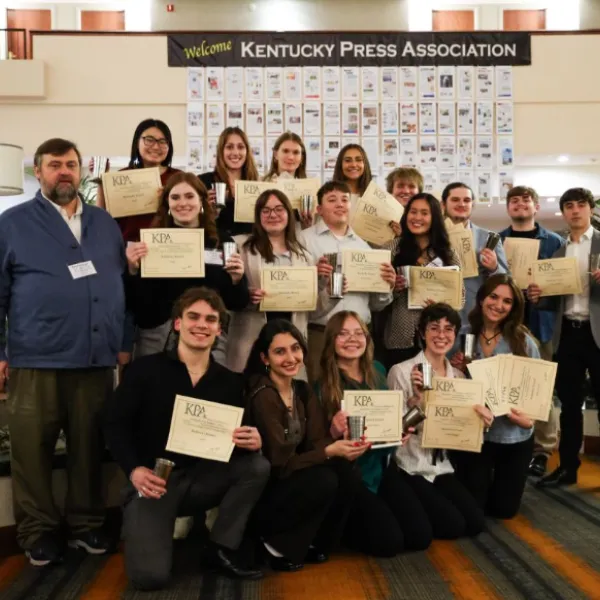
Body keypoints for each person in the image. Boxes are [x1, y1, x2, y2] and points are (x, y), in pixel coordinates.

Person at [0, 138, 126, 566]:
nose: (64, 172)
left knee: (89, 448)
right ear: (39, 172)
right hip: (35, 359)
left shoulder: (106, 224)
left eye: (71, 164)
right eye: (55, 165)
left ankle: (87, 524)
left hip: (95, 359)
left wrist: (119, 345)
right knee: (32, 451)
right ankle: (37, 532)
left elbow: (118, 286)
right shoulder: (12, 224)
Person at [103, 287, 270, 589]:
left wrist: (252, 441)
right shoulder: (144, 371)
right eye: (193, 317)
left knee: (257, 466)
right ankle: (154, 525)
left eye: (210, 319)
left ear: (219, 329)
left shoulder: (230, 382)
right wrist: (134, 470)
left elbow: (234, 440)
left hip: (203, 479)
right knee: (148, 578)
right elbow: (114, 425)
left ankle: (220, 548)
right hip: (153, 482)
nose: (201, 325)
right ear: (178, 323)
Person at [244, 320, 367, 571]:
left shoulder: (301, 390)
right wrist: (328, 451)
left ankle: (315, 543)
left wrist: (341, 446)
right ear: (264, 358)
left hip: (295, 476)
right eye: (280, 352)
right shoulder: (263, 394)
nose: (291, 357)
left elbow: (317, 440)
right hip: (268, 488)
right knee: (323, 479)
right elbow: (280, 463)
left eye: (295, 348)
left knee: (347, 471)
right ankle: (272, 546)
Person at [383, 304, 488, 548]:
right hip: (409, 464)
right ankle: (409, 507)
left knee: (474, 522)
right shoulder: (401, 371)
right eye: (434, 328)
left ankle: (425, 505)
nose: (441, 335)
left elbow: (461, 427)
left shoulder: (459, 378)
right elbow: (393, 429)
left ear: (456, 334)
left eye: (448, 329)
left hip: (441, 465)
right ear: (422, 333)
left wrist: (481, 423)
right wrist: (418, 400)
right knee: (451, 526)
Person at [125, 172, 249, 359]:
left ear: (201, 201)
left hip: (209, 340)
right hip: (157, 340)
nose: (183, 203)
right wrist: (133, 270)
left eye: (190, 196)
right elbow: (137, 304)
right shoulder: (150, 242)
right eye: (175, 197)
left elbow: (237, 303)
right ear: (167, 204)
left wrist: (237, 280)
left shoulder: (222, 242)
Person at [314, 311, 406, 557]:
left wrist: (397, 434)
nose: (352, 339)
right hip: (351, 476)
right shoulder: (321, 386)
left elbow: (385, 435)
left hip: (380, 466)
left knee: (418, 534)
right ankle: (340, 526)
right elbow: (314, 446)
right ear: (331, 340)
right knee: (390, 544)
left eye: (358, 333)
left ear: (367, 338)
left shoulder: (377, 370)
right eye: (343, 334)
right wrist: (332, 431)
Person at [527, 188, 600, 488]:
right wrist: (536, 297)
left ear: (590, 208)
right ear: (563, 212)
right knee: (570, 406)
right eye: (568, 206)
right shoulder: (558, 250)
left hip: (597, 335)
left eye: (580, 205)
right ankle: (568, 468)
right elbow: (551, 302)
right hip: (568, 334)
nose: (574, 211)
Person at [452, 274, 539, 518]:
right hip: (476, 435)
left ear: (514, 308)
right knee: (473, 507)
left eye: (507, 301)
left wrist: (528, 420)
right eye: (493, 297)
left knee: (503, 511)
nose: (498, 305)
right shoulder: (462, 335)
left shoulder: (523, 342)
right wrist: (454, 368)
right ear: (481, 299)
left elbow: (539, 395)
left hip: (513, 435)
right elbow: (445, 380)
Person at [226, 189, 333, 373]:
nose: (272, 215)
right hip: (249, 343)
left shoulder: (305, 257)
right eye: (265, 210)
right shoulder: (239, 247)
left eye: (279, 209)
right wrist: (244, 295)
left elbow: (312, 312)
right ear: (258, 216)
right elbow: (226, 296)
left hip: (291, 348)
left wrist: (327, 289)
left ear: (289, 215)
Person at [299, 181, 396, 381]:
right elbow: (297, 295)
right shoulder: (303, 240)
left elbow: (376, 305)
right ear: (319, 209)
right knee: (319, 396)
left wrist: (387, 286)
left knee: (359, 394)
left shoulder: (365, 246)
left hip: (360, 337)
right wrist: (315, 278)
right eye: (332, 200)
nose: (340, 204)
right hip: (321, 334)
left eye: (345, 200)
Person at [499, 185, 565, 478]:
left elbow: (564, 288)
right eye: (514, 200)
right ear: (508, 208)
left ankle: (542, 450)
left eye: (526, 200)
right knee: (501, 386)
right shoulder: (496, 240)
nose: (520, 204)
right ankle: (505, 444)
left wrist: (544, 295)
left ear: (536, 206)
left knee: (543, 391)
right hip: (503, 324)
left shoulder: (554, 242)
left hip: (541, 325)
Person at [384, 193, 463, 370]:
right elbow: (377, 299)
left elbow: (461, 299)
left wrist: (443, 305)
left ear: (434, 217)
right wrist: (393, 288)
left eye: (424, 213)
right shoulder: (392, 248)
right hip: (400, 338)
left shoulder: (448, 254)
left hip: (436, 338)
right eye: (413, 212)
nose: (417, 217)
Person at [94, 118, 182, 243]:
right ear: (137, 142)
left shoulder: (179, 178)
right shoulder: (121, 176)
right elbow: (101, 218)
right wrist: (101, 180)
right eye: (149, 140)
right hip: (127, 251)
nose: (156, 146)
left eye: (163, 141)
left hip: (168, 249)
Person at [441, 182, 508, 326]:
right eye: (455, 200)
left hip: (474, 316)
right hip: (438, 314)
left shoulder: (489, 238)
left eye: (466, 200)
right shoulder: (432, 237)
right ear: (443, 204)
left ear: (472, 204)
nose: (461, 204)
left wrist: (494, 267)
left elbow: (506, 280)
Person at [199, 126, 259, 238]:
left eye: (241, 147)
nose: (235, 152)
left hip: (250, 249)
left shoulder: (258, 185)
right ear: (221, 151)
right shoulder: (203, 182)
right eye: (229, 147)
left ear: (247, 151)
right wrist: (205, 210)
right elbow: (192, 222)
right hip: (215, 249)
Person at [332, 143, 372, 214]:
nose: (353, 165)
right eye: (348, 160)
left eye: (358, 160)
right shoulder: (329, 196)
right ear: (340, 165)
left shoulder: (374, 197)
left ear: (365, 164)